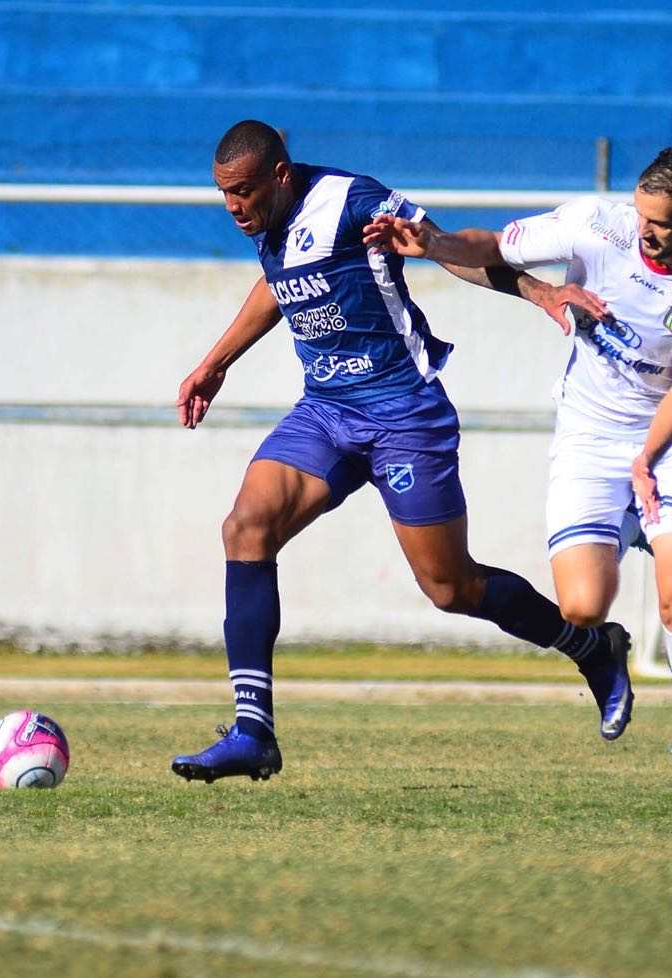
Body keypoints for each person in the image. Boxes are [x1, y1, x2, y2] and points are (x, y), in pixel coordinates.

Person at [169, 119, 635, 783]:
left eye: (242, 191)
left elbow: (444, 248)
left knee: (451, 588)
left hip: (403, 415)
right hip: (327, 412)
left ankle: (590, 647)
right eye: (223, 194)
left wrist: (542, 292)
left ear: (278, 174)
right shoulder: (265, 222)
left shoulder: (351, 200)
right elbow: (280, 284)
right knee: (245, 528)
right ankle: (253, 731)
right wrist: (216, 362)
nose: (233, 207)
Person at [363, 148, 672, 790]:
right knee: (584, 606)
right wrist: (436, 242)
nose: (645, 231)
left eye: (662, 224)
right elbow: (497, 247)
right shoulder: (597, 225)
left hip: (669, 443)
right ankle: (611, 624)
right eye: (642, 215)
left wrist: (647, 459)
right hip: (589, 436)